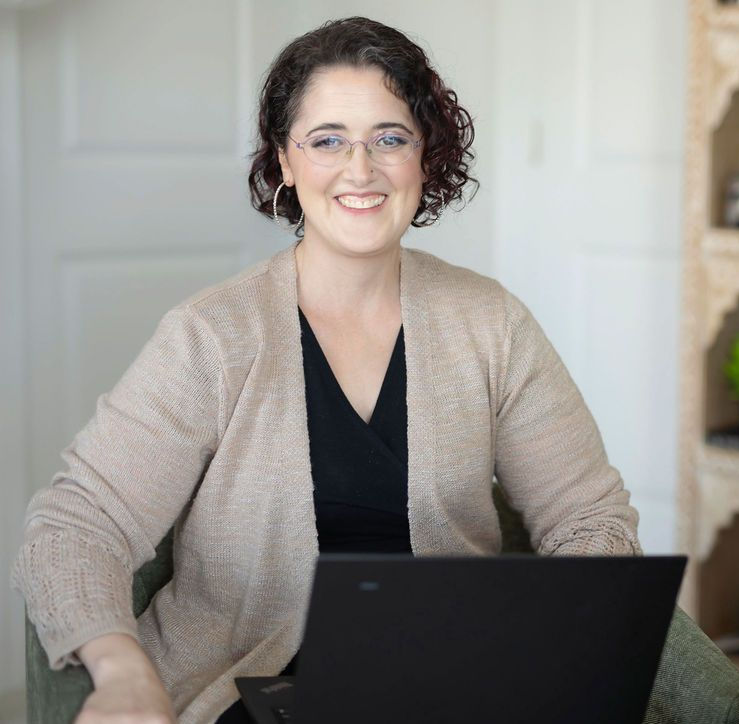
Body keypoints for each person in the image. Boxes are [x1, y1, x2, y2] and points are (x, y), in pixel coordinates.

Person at [11, 16, 641, 724]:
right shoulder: (211, 337)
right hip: (252, 685)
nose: (360, 169)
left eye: (389, 138)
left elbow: (588, 517)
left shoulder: (491, 323)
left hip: (448, 682)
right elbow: (75, 525)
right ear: (284, 162)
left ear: (424, 154)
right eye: (327, 140)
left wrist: (543, 647)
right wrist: (122, 671)